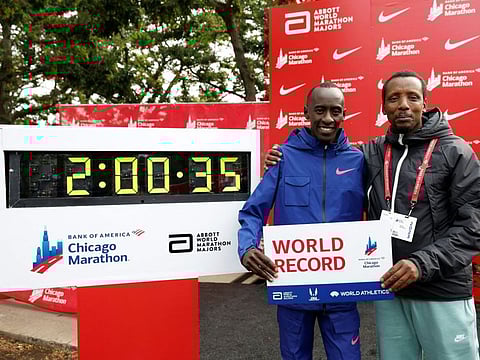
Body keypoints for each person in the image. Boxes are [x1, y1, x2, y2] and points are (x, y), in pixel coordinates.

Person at [265, 71, 480, 360]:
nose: (403, 104)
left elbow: (473, 226)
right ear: (384, 108)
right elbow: (326, 156)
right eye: (394, 98)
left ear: (425, 103)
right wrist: (284, 154)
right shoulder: (374, 152)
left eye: (412, 97)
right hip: (390, 287)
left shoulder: (456, 151)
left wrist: (421, 263)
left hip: (441, 288)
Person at [238, 82, 365, 360]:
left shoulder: (359, 160)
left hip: (342, 288)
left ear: (345, 113)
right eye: (320, 110)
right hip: (294, 289)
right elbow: (253, 211)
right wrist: (247, 248)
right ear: (306, 112)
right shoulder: (283, 158)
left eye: (335, 111)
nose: (328, 118)